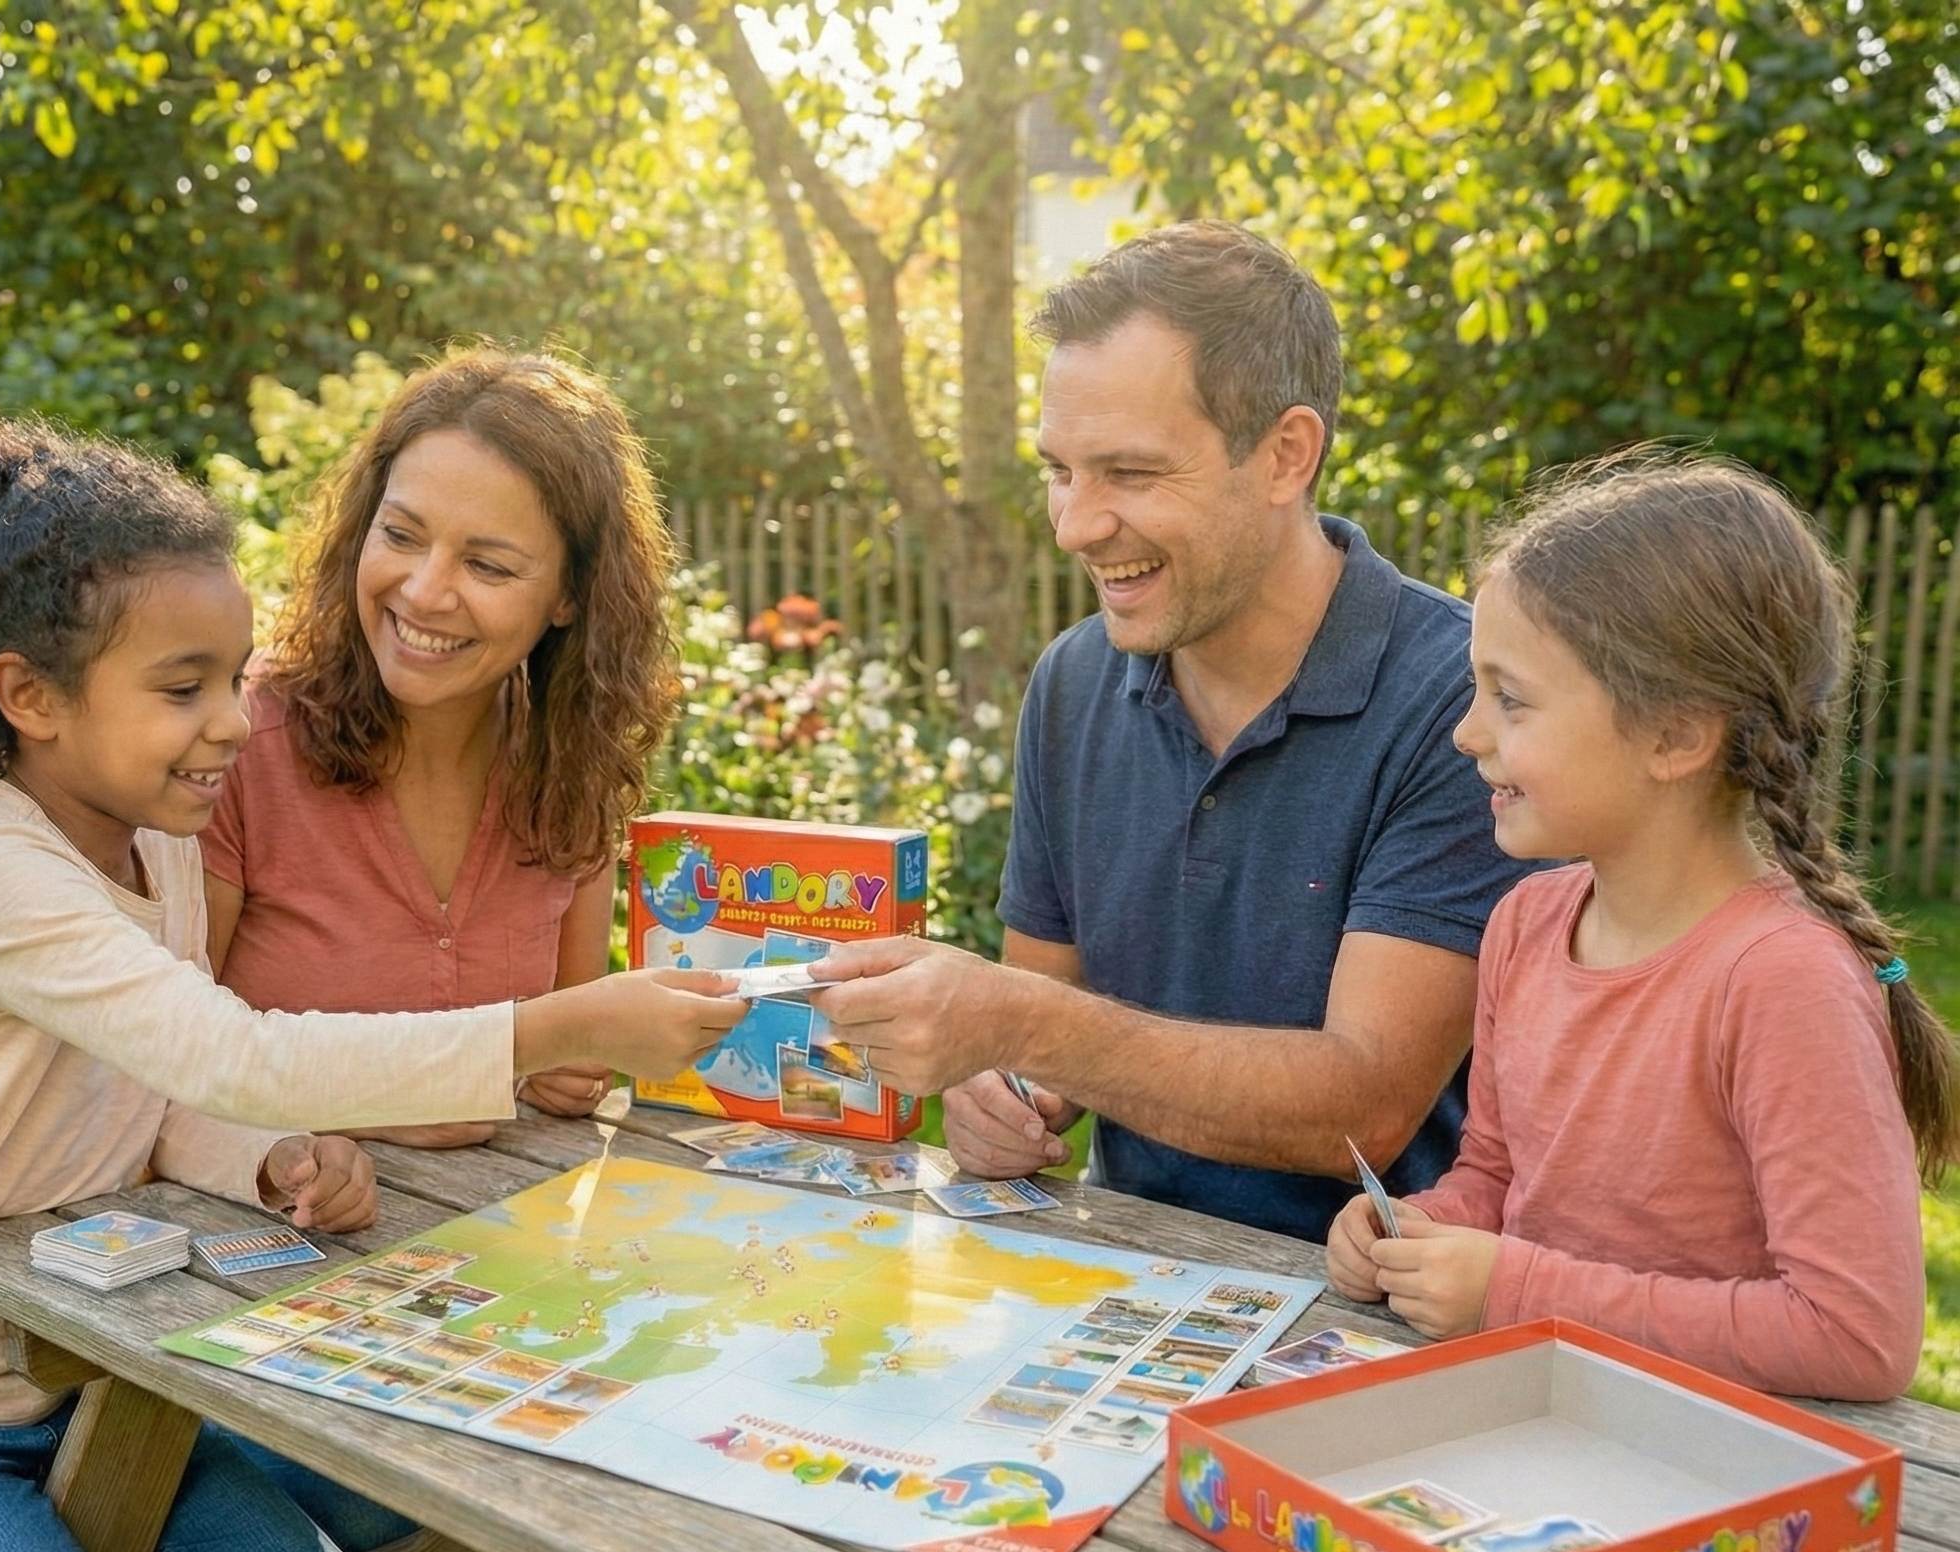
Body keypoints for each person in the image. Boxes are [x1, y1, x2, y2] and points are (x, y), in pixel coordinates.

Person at [0, 418, 744, 1552]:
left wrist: (270, 1163)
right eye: (186, 688)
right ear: (32, 695)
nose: (233, 720)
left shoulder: (151, 848)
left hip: (81, 1387)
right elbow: (233, 1052)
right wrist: (552, 1029)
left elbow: (175, 1095)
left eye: (230, 677)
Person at [812, 221, 1528, 1241]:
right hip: (1125, 1282)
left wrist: (1021, 1024)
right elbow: (1038, 1036)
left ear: (1285, 455)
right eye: (1059, 469)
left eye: (1131, 475)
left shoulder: (1459, 699)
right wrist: (997, 1090)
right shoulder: (1072, 681)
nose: (1073, 524)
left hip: (1388, 1310)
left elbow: (1360, 1110)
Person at [199, 349, 675, 1552]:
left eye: (487, 561)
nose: (422, 589)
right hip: (264, 1272)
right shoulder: (245, 741)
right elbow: (161, 1057)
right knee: (536, 1485)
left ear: (569, 596)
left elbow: (560, 1043)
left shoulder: (572, 762)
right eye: (401, 535)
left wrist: (573, 1079)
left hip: (490, 1268)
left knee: (662, 1446)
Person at [1326, 455, 1945, 1400]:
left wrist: (1513, 1288)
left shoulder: (1782, 982)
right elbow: (1497, 1172)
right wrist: (1417, 1228)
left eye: (1512, 699)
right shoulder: (1524, 925)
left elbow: (1856, 1336)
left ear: (1673, 737)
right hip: (1542, 1419)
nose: (1466, 733)